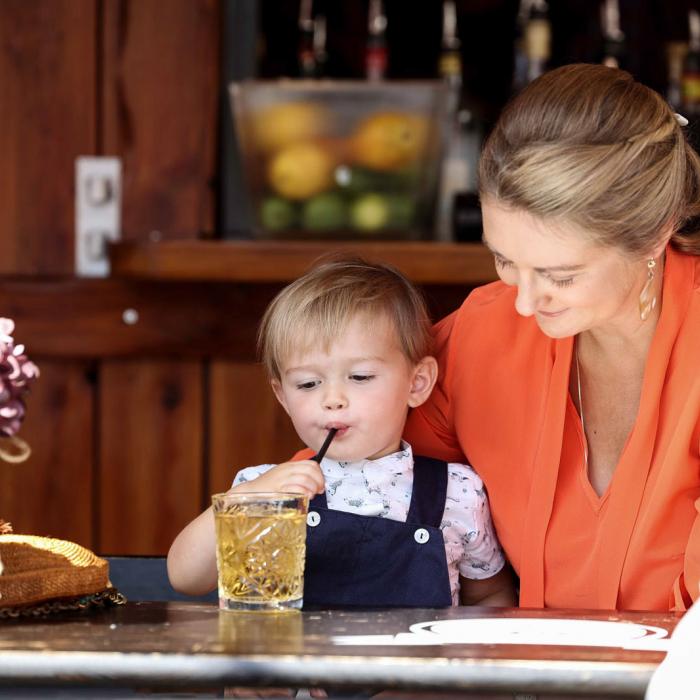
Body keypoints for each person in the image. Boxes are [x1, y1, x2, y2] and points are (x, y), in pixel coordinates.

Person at [404, 63, 700, 612]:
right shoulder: (483, 331)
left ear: (654, 236)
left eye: (562, 276)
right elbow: (364, 478)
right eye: (505, 260)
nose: (523, 301)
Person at [168, 257, 515, 607]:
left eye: (360, 377)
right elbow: (185, 578)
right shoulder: (262, 488)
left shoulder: (459, 492)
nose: (332, 399)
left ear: (417, 382)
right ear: (283, 396)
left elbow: (489, 594)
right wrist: (251, 498)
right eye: (308, 383)